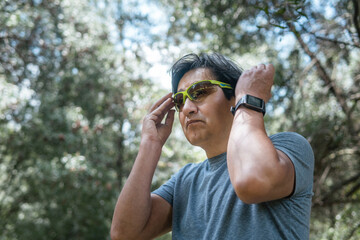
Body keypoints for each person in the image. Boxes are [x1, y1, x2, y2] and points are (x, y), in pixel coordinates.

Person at [110, 53, 314, 240]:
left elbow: (252, 182)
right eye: (180, 101)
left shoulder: (289, 147)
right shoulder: (184, 181)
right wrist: (150, 145)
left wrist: (249, 100)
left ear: (234, 97)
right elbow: (124, 234)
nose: (187, 108)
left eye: (199, 92)